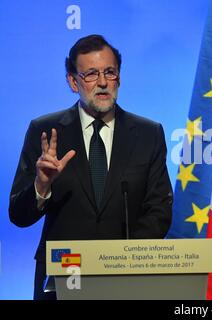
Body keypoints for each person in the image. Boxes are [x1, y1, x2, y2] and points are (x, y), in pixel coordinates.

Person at [9, 34, 173, 300]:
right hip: (61, 280)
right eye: (91, 74)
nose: (103, 83)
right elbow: (18, 215)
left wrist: (118, 260)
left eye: (110, 72)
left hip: (126, 280)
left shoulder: (148, 133)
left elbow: (160, 211)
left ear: (119, 76)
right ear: (73, 81)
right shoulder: (45, 132)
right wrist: (41, 186)